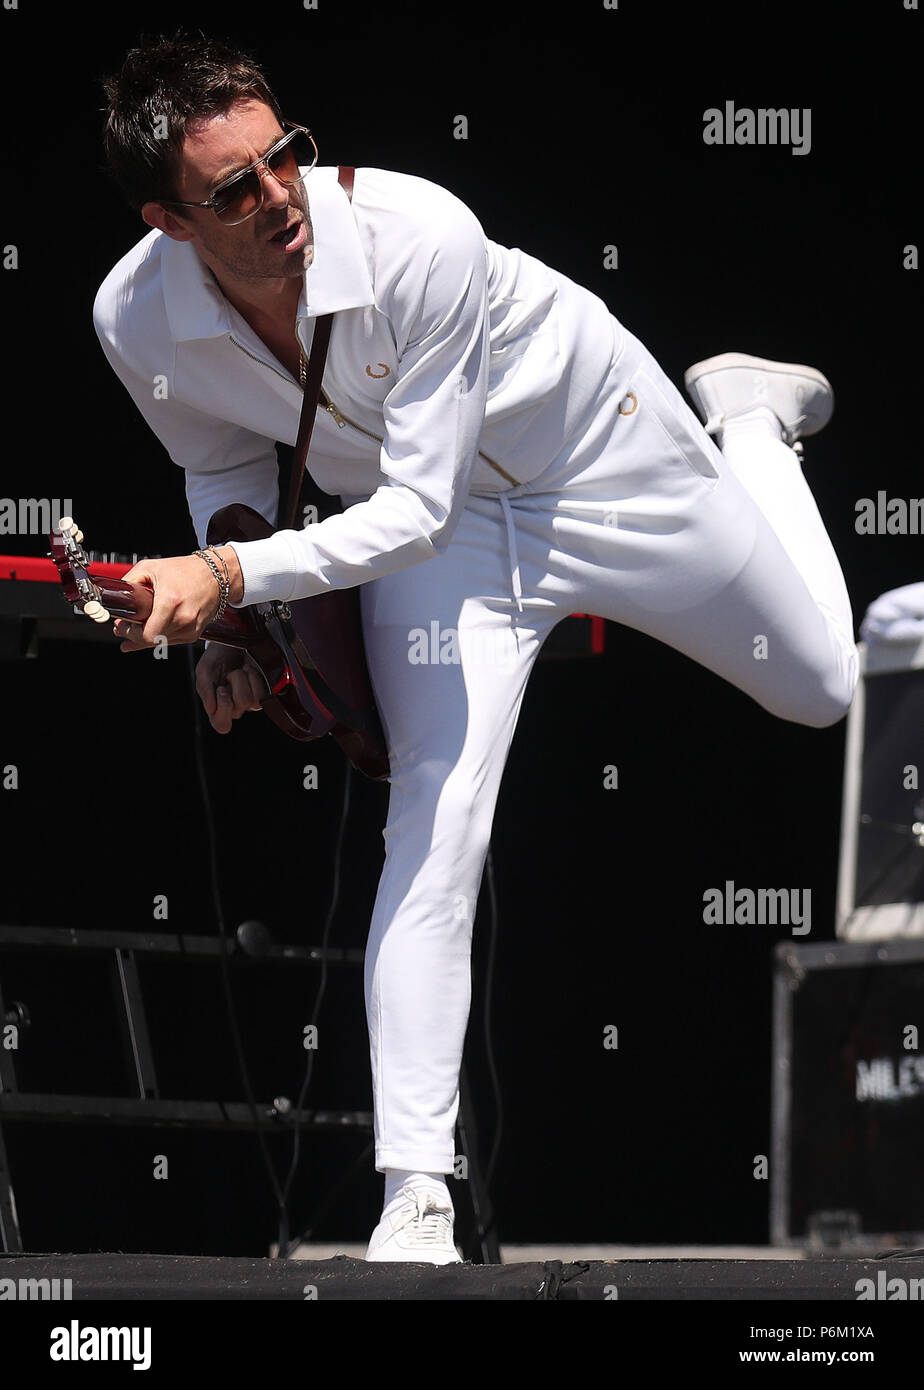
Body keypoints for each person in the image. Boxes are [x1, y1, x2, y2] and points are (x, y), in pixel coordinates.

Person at [94, 32, 860, 1263]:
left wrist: (228, 576)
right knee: (434, 833)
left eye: (286, 154)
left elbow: (410, 507)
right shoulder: (133, 318)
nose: (280, 194)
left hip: (603, 458)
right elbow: (220, 464)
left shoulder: (420, 232)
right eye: (234, 188)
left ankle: (751, 423)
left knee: (824, 690)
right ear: (170, 221)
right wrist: (232, 631)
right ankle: (414, 1197)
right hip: (447, 551)